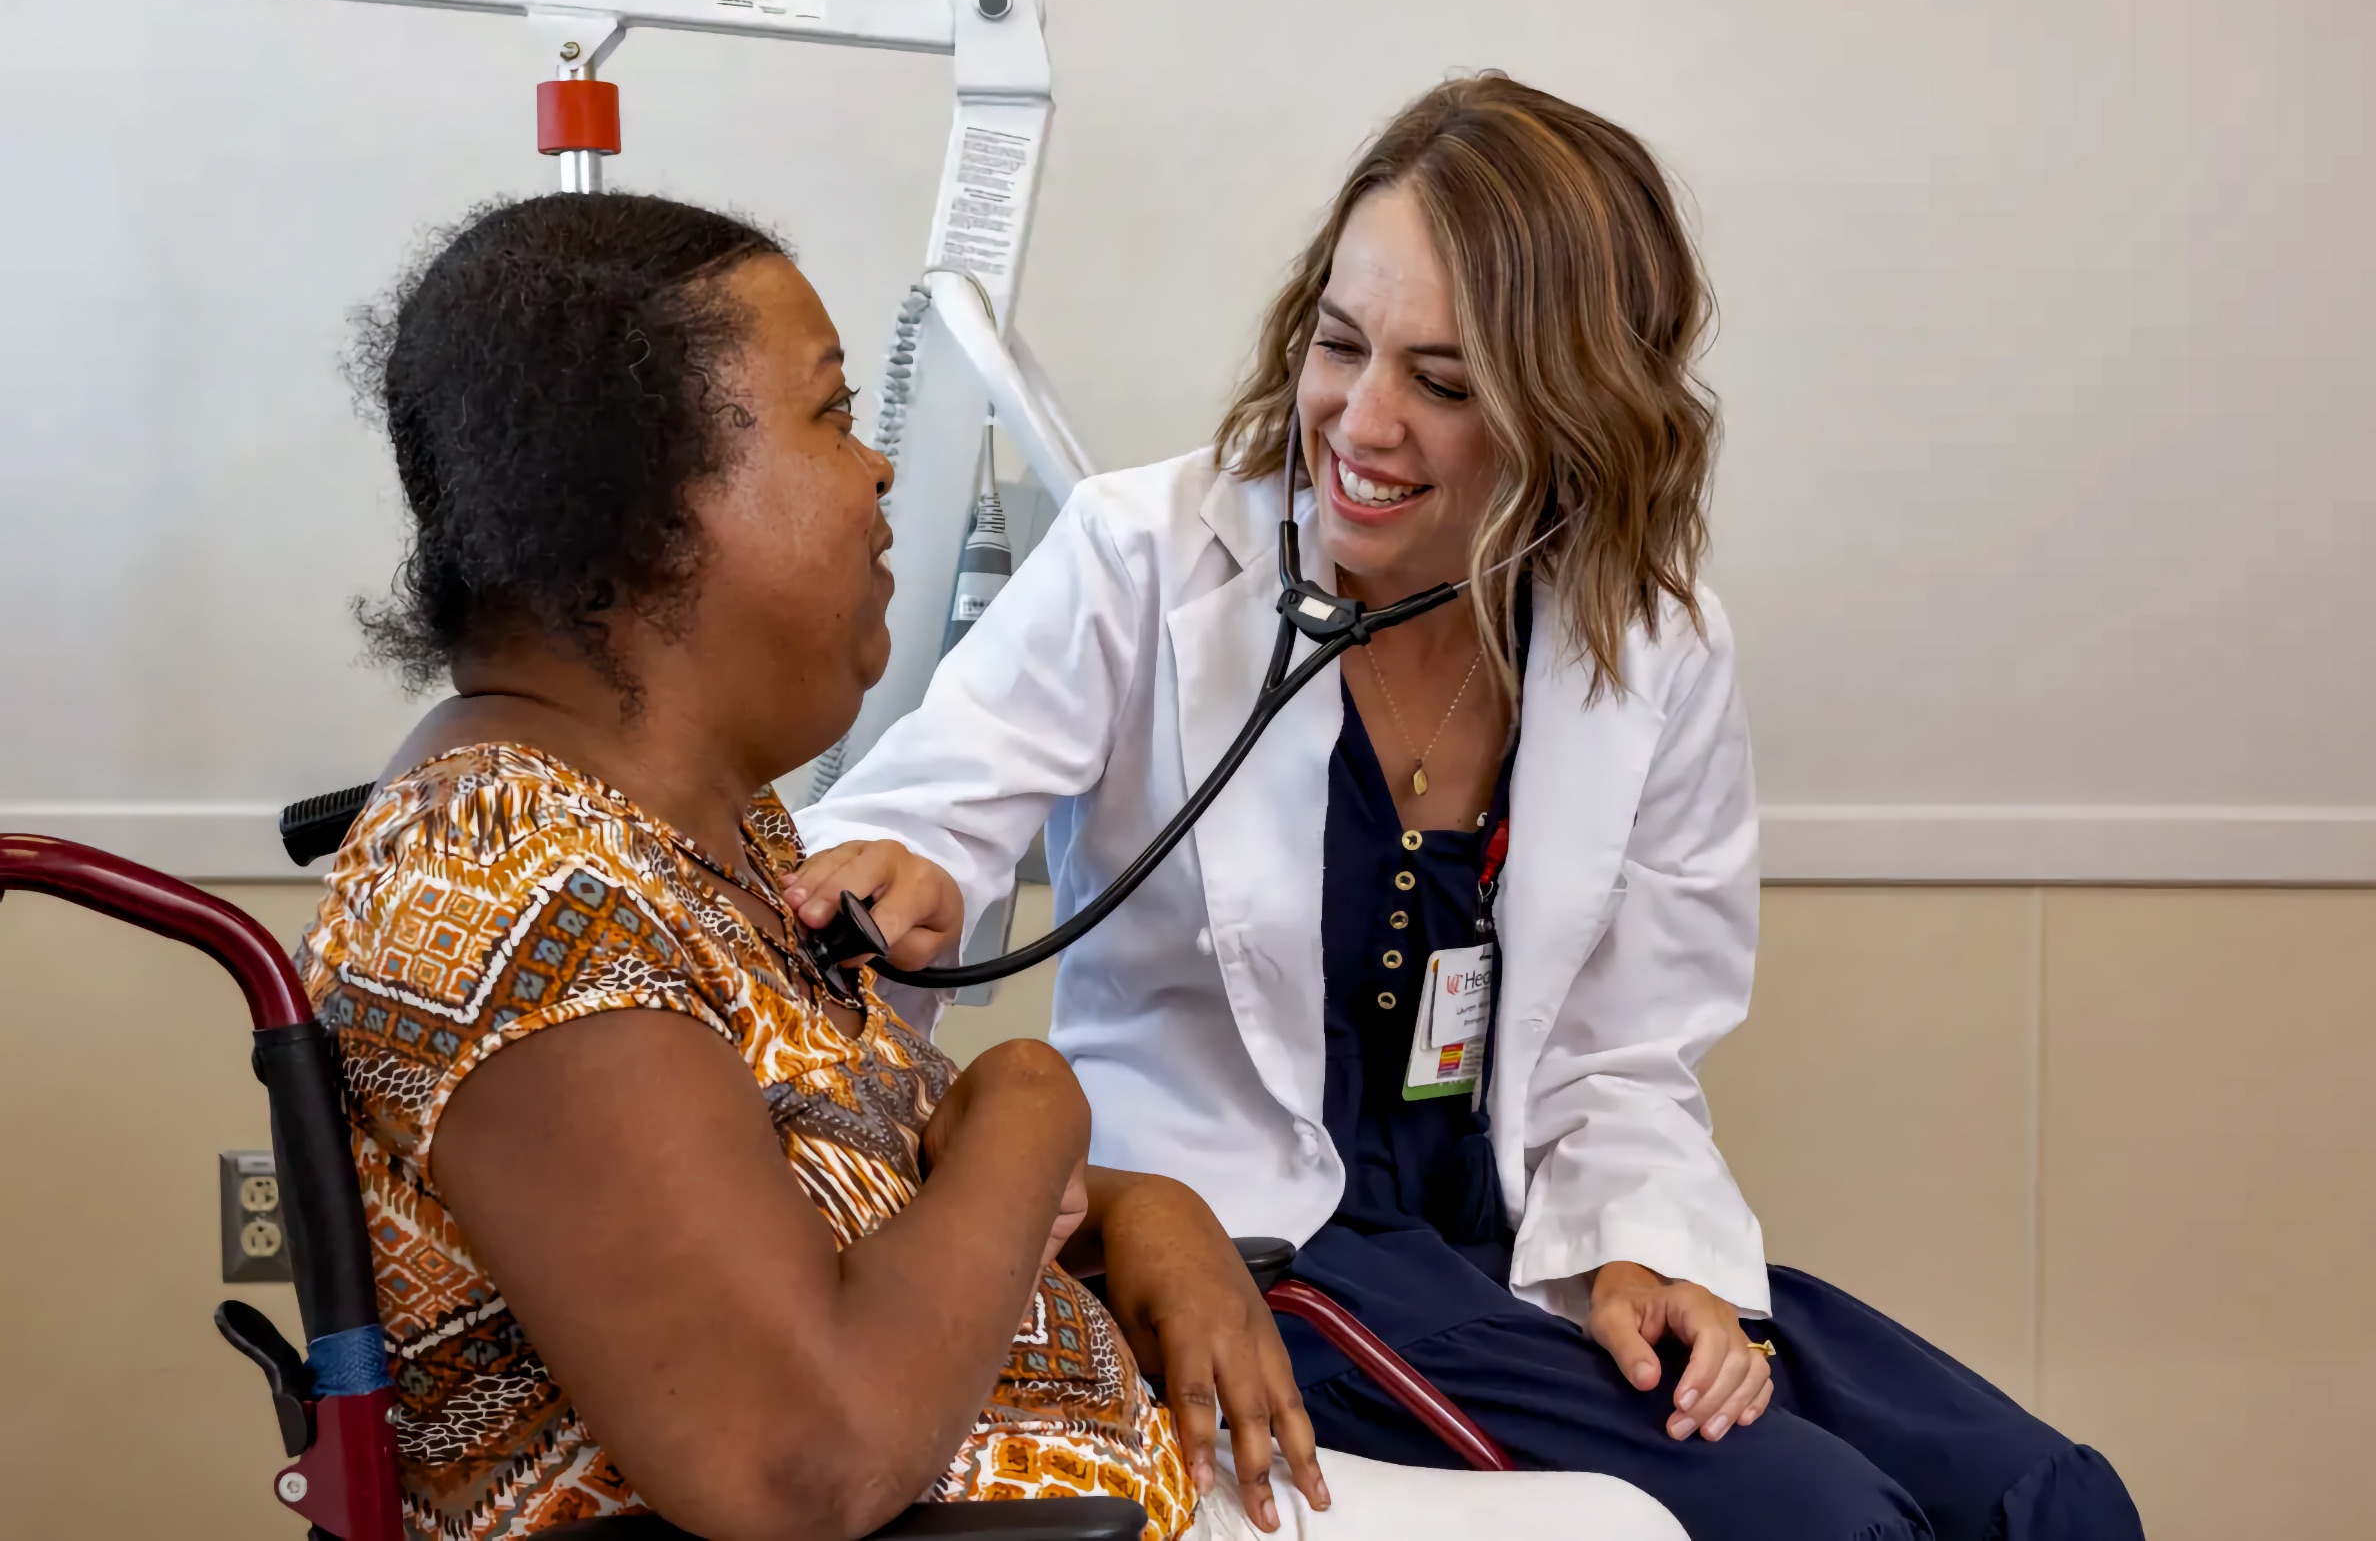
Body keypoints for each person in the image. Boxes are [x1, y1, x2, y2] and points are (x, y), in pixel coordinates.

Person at [792, 76, 2146, 1541]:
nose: (1360, 424)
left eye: (1442, 381)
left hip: (1524, 1240)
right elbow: (921, 815)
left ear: (1579, 408)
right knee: (1823, 1522)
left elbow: (1629, 1052)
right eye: (1339, 345)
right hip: (1272, 1242)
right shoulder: (1149, 559)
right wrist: (907, 870)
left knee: (2050, 1502)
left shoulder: (1651, 638)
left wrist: (1648, 1248)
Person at [297, 192, 1681, 1541]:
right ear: (648, 512)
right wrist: (1035, 1097)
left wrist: (1146, 1211)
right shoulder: (524, 897)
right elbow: (804, 1464)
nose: (883, 467)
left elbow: (866, 1200)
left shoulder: (680, 841)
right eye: (834, 415)